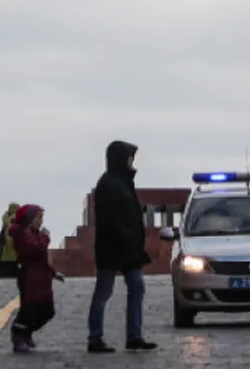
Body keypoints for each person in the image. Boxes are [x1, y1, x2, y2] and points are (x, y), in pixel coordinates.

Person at [87, 140, 157, 353]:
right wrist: (126, 238)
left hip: (129, 248)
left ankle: (134, 336)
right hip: (112, 248)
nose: (131, 161)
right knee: (103, 292)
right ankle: (95, 337)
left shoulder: (124, 182)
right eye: (129, 157)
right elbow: (111, 219)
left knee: (136, 287)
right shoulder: (108, 184)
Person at [9, 204, 60, 353]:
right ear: (28, 219)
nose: (41, 221)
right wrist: (45, 237)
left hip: (43, 278)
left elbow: (43, 256)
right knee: (29, 309)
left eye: (41, 218)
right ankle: (18, 335)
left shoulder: (35, 233)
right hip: (29, 277)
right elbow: (35, 249)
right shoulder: (21, 233)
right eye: (38, 218)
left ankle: (27, 332)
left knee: (48, 311)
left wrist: (53, 272)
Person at [0, 202, 21, 280]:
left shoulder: (5, 218)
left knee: (4, 279)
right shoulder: (17, 220)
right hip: (15, 257)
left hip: (4, 257)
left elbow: (0, 238)